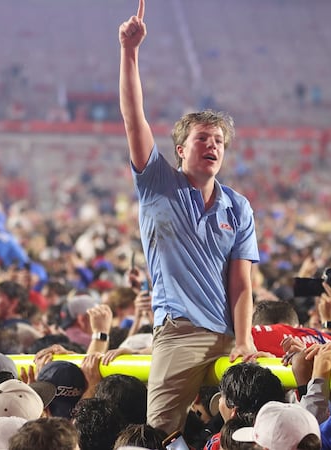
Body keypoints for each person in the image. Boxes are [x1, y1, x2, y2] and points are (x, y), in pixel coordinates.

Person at [119, 0, 259, 434]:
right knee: (158, 434)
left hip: (228, 340)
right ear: (181, 148)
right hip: (178, 334)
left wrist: (244, 338)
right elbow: (133, 117)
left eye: (219, 140)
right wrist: (129, 52)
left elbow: (241, 283)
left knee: (248, 432)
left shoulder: (238, 206)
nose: (213, 146)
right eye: (203, 138)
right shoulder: (158, 182)